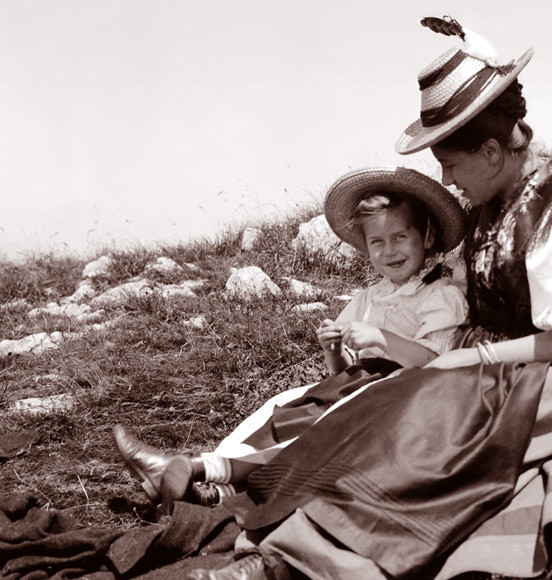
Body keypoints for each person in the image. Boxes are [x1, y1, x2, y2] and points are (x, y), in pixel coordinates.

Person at [191, 16, 552, 580]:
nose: (447, 181)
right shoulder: (488, 211)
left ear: (492, 152)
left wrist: (474, 360)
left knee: (430, 435)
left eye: (450, 165)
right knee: (384, 408)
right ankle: (265, 520)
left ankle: (299, 563)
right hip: (500, 371)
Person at [114, 166, 467, 514]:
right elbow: (341, 373)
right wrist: (333, 350)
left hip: (400, 395)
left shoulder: (439, 295)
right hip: (352, 386)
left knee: (316, 436)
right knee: (280, 416)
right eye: (377, 241)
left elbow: (436, 363)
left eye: (400, 237)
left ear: (428, 238)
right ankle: (201, 492)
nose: (389, 251)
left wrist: (382, 338)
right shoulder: (369, 298)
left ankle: (192, 470)